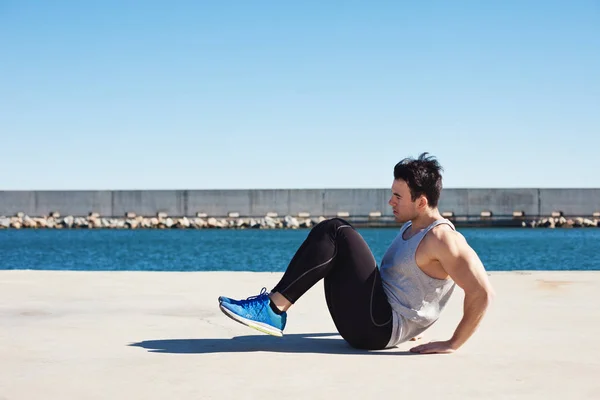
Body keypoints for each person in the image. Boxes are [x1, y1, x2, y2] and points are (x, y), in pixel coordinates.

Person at [218, 153, 495, 354]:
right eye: (392, 194)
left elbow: (482, 291)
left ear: (421, 201)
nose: (391, 202)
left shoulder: (443, 238)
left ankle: (273, 309)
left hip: (376, 329)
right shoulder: (411, 227)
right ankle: (272, 308)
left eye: (398, 196)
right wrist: (414, 325)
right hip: (371, 325)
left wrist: (452, 343)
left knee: (337, 230)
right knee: (334, 241)